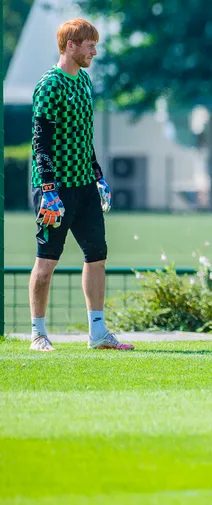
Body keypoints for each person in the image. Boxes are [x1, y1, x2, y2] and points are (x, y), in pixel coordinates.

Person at [28, 18, 133, 352]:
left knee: (97, 255)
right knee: (47, 261)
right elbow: (40, 141)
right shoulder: (50, 84)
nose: (94, 51)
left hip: (85, 186)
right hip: (55, 190)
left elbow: (85, 139)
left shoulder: (85, 82)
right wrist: (48, 190)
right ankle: (38, 334)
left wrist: (98, 175)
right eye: (89, 44)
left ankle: (98, 332)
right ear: (70, 45)